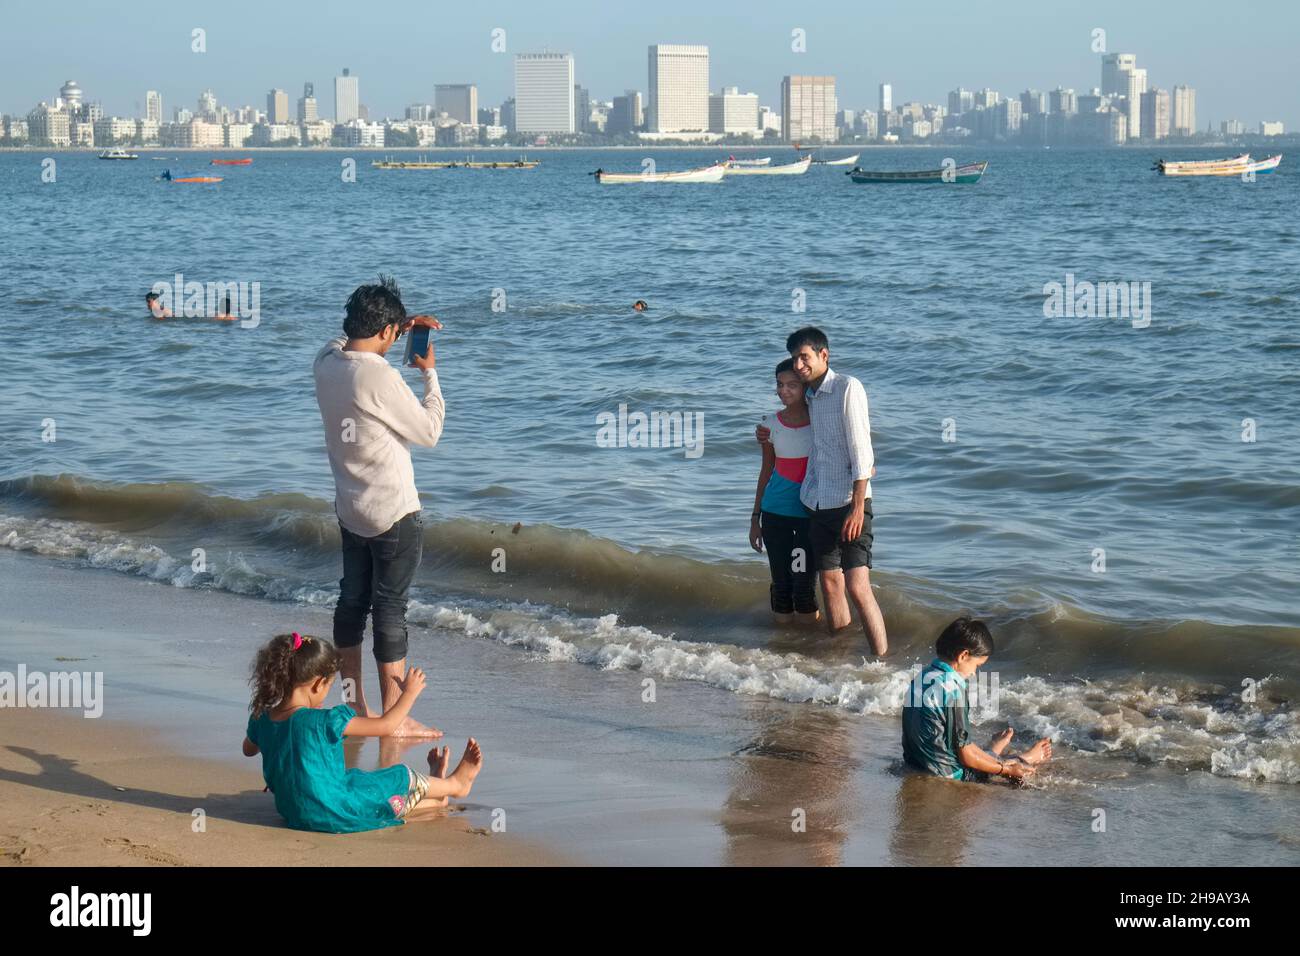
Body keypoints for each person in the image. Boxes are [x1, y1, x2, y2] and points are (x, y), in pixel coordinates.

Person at [314, 275, 445, 737]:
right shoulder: (381, 375)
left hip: (350, 508)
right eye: (394, 332)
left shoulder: (325, 362)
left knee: (352, 605)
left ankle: (354, 704)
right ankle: (395, 717)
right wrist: (429, 371)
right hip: (392, 513)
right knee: (390, 611)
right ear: (388, 333)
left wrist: (399, 323)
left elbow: (345, 341)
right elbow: (429, 432)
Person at [241, 632, 483, 833]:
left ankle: (437, 795)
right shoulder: (325, 720)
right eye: (329, 685)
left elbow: (248, 749)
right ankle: (455, 784)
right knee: (396, 776)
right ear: (317, 684)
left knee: (368, 790)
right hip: (337, 809)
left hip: (295, 813)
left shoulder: (262, 719)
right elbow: (386, 726)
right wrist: (409, 694)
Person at [757, 327, 887, 655]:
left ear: (823, 355)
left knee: (858, 587)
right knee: (829, 584)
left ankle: (882, 663)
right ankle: (839, 660)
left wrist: (858, 507)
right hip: (816, 505)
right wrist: (767, 432)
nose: (799, 364)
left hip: (848, 504)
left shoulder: (847, 388)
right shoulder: (811, 396)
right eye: (795, 359)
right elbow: (794, 430)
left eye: (805, 357)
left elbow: (862, 450)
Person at [901, 617, 1051, 781]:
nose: (974, 673)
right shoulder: (953, 691)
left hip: (914, 764)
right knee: (1015, 770)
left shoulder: (922, 677)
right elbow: (966, 757)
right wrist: (1005, 770)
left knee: (976, 755)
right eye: (977, 665)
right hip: (946, 774)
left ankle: (994, 751)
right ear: (963, 655)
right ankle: (1025, 757)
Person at [749, 359, 819, 623]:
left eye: (792, 385)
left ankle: (807, 651)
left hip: (806, 517)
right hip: (775, 515)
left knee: (803, 587)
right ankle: (780, 651)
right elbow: (766, 471)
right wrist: (755, 518)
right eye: (780, 385)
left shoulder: (820, 422)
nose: (784, 391)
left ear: (805, 386)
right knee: (781, 586)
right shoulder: (769, 426)